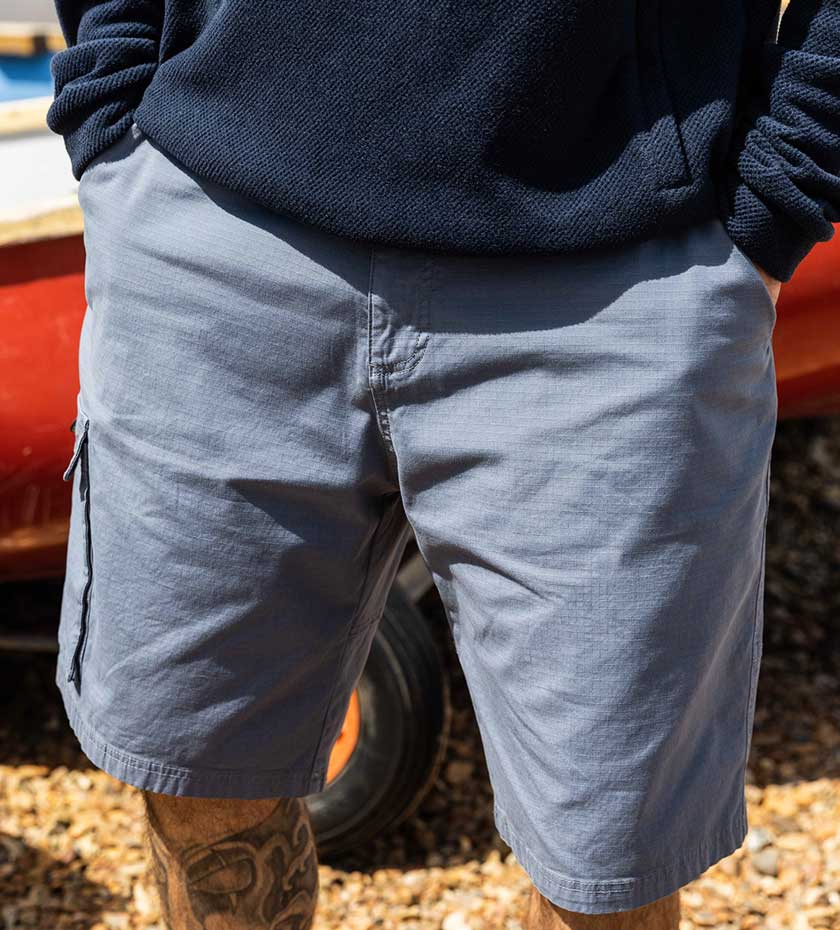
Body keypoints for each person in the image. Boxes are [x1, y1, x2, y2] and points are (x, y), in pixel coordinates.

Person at [46, 0, 838, 927]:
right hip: (211, 225)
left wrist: (781, 188)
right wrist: (114, 79)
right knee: (200, 788)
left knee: (609, 867)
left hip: (621, 267)